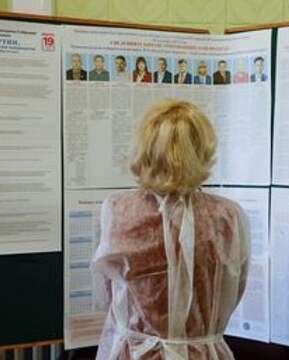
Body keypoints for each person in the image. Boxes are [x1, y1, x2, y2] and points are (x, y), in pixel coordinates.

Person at [91, 100, 250, 360]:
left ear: (144, 147)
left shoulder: (118, 210)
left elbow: (107, 295)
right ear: (202, 149)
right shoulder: (228, 216)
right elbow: (234, 291)